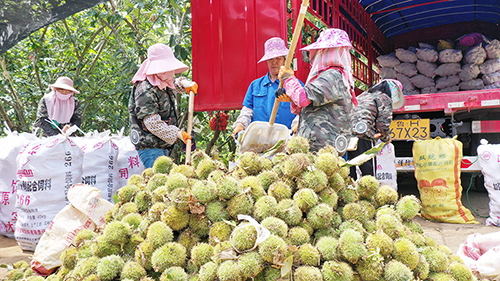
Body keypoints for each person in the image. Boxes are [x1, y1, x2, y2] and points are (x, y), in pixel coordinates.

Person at [277, 28, 356, 153]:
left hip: (321, 148)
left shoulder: (332, 76)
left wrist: (288, 78)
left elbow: (303, 98)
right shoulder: (334, 76)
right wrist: (292, 97)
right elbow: (311, 102)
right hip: (320, 147)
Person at [129, 43, 198, 168]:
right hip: (150, 147)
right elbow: (152, 123)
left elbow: (173, 84)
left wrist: (184, 83)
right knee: (158, 181)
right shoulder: (145, 89)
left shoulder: (161, 82)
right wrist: (178, 134)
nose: (170, 73)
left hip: (161, 145)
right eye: (165, 69)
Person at [231, 37, 301, 138]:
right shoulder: (255, 85)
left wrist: (296, 126)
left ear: (284, 60)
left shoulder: (295, 85)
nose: (274, 62)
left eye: (278, 58)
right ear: (267, 61)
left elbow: (302, 112)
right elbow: (247, 111)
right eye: (271, 59)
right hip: (258, 140)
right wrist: (240, 125)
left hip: (286, 138)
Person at [349, 79, 404, 178]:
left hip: (346, 134)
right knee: (369, 172)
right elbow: (383, 126)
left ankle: (348, 191)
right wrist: (386, 139)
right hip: (363, 134)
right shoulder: (384, 98)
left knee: (349, 171)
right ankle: (369, 193)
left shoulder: (363, 95)